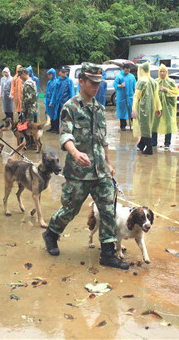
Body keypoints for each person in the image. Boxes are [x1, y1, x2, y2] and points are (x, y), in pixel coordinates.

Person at [42, 63, 128, 270]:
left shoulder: (99, 108)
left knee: (108, 209)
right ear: (81, 81)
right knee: (70, 210)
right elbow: (65, 135)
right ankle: (51, 234)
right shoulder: (69, 107)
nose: (96, 86)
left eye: (99, 82)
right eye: (92, 82)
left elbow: (103, 139)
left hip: (100, 171)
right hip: (79, 172)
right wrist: (75, 152)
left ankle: (107, 252)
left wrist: (108, 163)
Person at [132, 62, 162, 155]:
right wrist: (158, 108)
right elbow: (156, 97)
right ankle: (141, 145)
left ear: (141, 70)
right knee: (148, 126)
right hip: (152, 108)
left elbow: (136, 96)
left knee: (145, 128)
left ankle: (149, 149)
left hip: (143, 108)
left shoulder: (141, 82)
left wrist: (134, 109)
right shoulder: (153, 82)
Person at [151, 64, 179, 150]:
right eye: (161, 71)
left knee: (168, 124)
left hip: (168, 106)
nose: (162, 73)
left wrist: (167, 90)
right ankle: (153, 142)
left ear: (166, 72)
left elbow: (176, 92)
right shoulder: (155, 82)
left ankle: (167, 143)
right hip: (157, 106)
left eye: (164, 71)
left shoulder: (171, 82)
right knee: (154, 123)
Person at [48, 66, 74, 134]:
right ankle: (57, 129)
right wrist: (52, 101)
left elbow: (72, 92)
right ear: (59, 72)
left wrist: (72, 102)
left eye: (65, 72)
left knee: (65, 117)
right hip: (58, 103)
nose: (64, 73)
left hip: (65, 102)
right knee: (57, 115)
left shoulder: (69, 81)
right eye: (63, 72)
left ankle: (65, 130)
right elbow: (54, 92)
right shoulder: (58, 81)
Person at [113, 64, 136, 131]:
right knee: (122, 112)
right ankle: (123, 126)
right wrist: (120, 85)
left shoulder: (132, 77)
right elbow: (115, 85)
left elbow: (135, 86)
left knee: (132, 111)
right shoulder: (119, 77)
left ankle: (134, 125)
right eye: (126, 70)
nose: (127, 72)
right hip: (122, 97)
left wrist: (136, 94)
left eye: (128, 70)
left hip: (130, 97)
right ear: (123, 69)